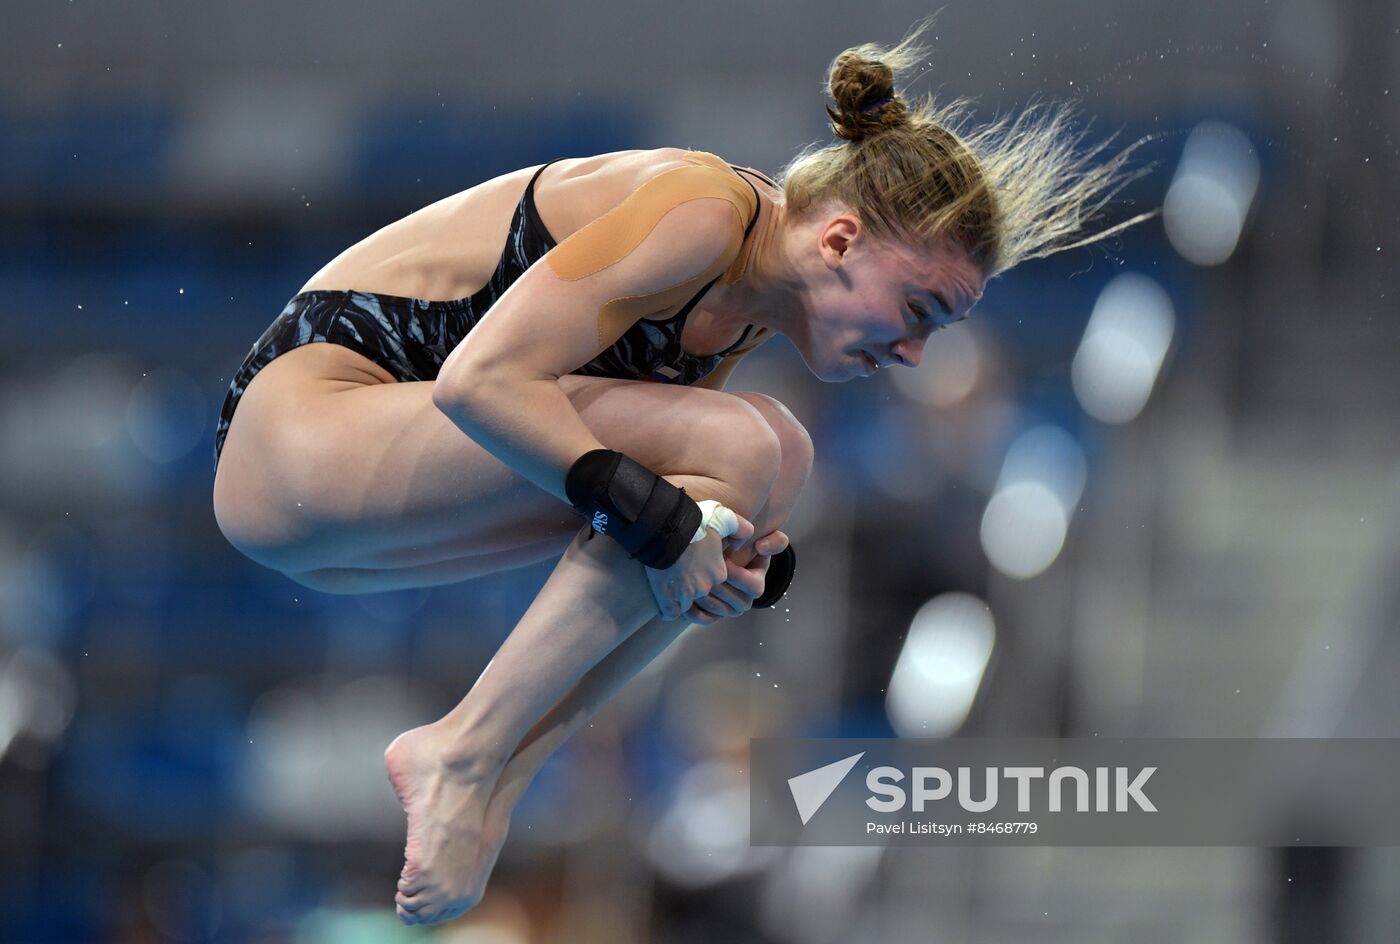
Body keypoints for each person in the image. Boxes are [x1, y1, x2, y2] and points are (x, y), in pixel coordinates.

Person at [210, 18, 1149, 927]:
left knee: (766, 473)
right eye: (917, 310)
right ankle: (463, 752)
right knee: (748, 452)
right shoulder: (699, 213)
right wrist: (664, 522)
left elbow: (631, 497)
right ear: (839, 241)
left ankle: (499, 766)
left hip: (357, 501)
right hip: (294, 438)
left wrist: (702, 545)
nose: (910, 353)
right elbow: (479, 383)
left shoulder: (741, 311)